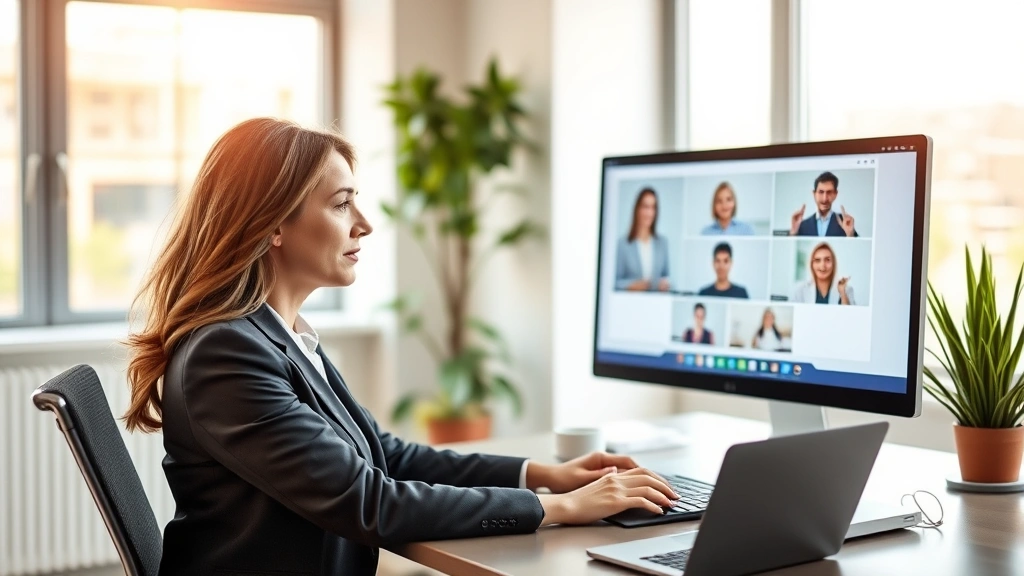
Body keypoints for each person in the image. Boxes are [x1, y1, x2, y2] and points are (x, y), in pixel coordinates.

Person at [123, 119, 678, 576]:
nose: (364, 224)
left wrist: (543, 475)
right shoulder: (227, 355)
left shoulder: (278, 336)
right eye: (341, 205)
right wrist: (557, 510)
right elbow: (369, 501)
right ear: (272, 225)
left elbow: (385, 455)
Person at [615, 187, 671, 291]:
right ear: (637, 209)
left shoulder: (663, 242)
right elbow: (616, 283)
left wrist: (665, 284)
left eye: (653, 207)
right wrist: (631, 285)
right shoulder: (623, 244)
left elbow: (666, 277)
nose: (650, 213)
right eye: (645, 207)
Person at [789, 171, 859, 237]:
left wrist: (850, 235)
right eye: (821, 192)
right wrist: (793, 232)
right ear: (814, 194)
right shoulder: (802, 225)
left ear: (835, 194)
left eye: (829, 192)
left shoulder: (845, 223)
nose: (824, 199)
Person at [790, 242, 856, 305]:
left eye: (827, 260)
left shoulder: (847, 290)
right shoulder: (800, 290)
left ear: (834, 264)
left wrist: (842, 293)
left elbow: (850, 315)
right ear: (811, 264)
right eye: (817, 260)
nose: (822, 265)